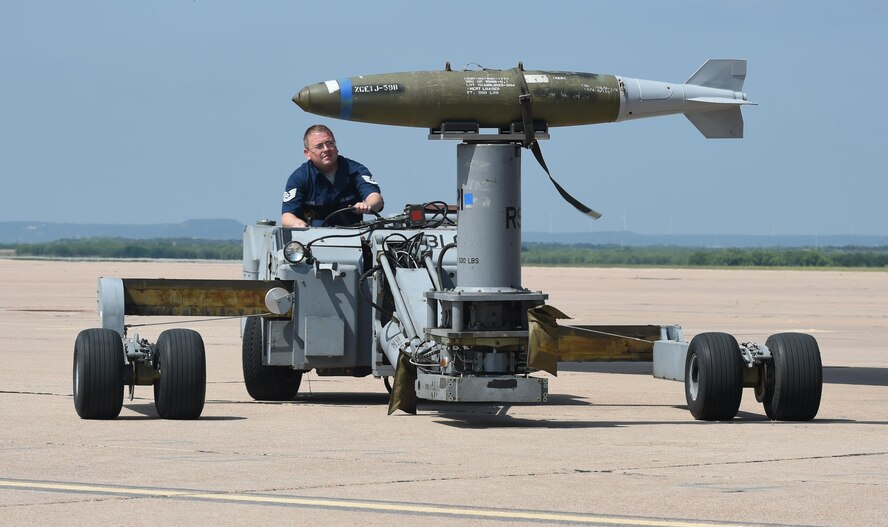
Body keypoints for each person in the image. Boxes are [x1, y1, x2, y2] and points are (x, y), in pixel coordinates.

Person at [281, 124, 383, 227]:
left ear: (336, 147)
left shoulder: (355, 170)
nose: (326, 149)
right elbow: (287, 216)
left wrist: (367, 205)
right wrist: (298, 224)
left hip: (354, 236)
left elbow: (376, 198)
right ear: (307, 153)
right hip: (314, 239)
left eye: (330, 143)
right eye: (319, 146)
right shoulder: (299, 178)